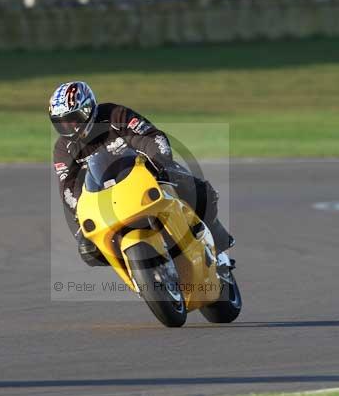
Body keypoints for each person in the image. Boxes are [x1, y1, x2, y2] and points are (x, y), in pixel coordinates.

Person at [49, 81, 234, 267]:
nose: (69, 127)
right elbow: (67, 187)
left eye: (73, 118)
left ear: (88, 108)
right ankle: (137, 272)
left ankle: (217, 242)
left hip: (143, 175)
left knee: (194, 188)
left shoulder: (114, 115)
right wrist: (81, 208)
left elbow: (151, 136)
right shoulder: (63, 149)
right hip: (104, 197)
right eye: (61, 123)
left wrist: (159, 162)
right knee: (88, 250)